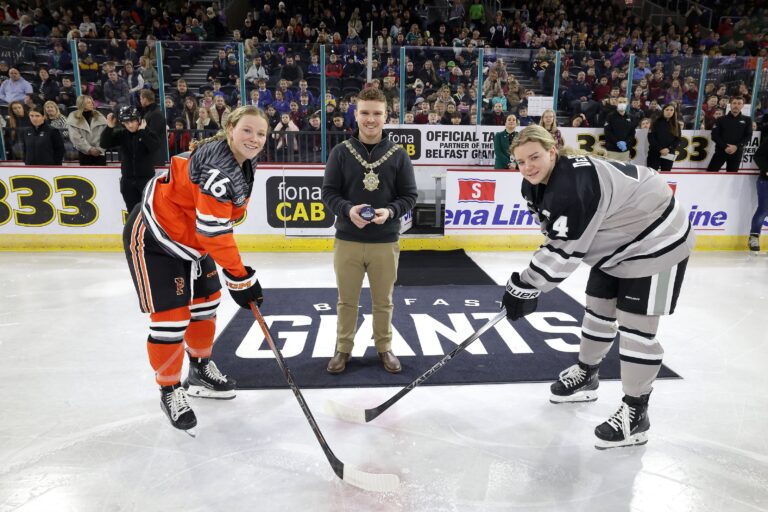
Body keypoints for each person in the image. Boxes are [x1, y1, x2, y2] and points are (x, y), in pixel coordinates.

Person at [502, 125, 694, 449]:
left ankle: (636, 414)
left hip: (660, 241)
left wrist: (527, 285)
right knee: (598, 309)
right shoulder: (533, 185)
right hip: (618, 241)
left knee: (637, 331)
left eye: (534, 157)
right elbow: (557, 237)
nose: (528, 167)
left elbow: (566, 250)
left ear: (552, 152)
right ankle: (587, 373)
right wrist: (528, 284)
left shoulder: (571, 186)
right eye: (521, 162)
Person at [122, 105, 269, 431]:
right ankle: (169, 388)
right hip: (155, 238)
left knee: (207, 302)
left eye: (260, 133)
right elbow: (214, 230)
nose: (254, 138)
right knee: (171, 321)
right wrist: (240, 277)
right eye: (247, 130)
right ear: (230, 127)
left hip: (193, 239)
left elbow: (219, 219)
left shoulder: (244, 160)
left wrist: (236, 277)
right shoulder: (218, 170)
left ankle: (200, 368)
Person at [321, 87, 418, 375]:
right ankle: (343, 349)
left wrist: (389, 212)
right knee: (346, 301)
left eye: (377, 113)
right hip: (347, 240)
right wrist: (348, 210)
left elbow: (409, 196)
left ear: (386, 116)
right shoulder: (340, 152)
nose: (370, 119)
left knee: (383, 301)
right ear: (356, 113)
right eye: (365, 112)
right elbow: (328, 193)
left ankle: (384, 348)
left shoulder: (399, 155)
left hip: (385, 241)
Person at [100, 105, 162, 212]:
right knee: (132, 212)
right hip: (127, 181)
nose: (130, 125)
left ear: (139, 120)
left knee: (149, 212)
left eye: (132, 122)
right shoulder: (123, 134)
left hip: (145, 181)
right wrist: (109, 127)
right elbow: (104, 144)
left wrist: (142, 132)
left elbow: (154, 147)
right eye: (126, 123)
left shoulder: (149, 133)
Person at [707, 96, 752, 173]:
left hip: (736, 153)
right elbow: (714, 135)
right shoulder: (720, 119)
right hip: (721, 151)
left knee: (732, 176)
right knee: (710, 173)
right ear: (730, 104)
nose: (736, 105)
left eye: (739, 103)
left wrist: (736, 146)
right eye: (734, 103)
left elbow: (748, 136)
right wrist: (725, 147)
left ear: (742, 106)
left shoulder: (747, 120)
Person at [66, 94, 108, 165]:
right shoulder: (73, 117)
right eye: (88, 102)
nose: (92, 103)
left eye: (92, 102)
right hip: (84, 153)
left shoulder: (100, 116)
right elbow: (75, 137)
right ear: (82, 104)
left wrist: (100, 149)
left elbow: (106, 135)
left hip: (100, 153)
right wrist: (89, 149)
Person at [647, 103, 682, 172]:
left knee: (666, 173)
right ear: (663, 111)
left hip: (669, 154)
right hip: (654, 153)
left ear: (674, 112)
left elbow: (678, 139)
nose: (669, 112)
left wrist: (669, 149)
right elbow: (651, 138)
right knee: (651, 174)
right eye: (667, 110)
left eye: (671, 110)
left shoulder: (677, 125)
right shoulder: (655, 122)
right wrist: (660, 149)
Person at [748, 129, 768, 252]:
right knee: (763, 210)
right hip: (765, 181)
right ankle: (754, 238)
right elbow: (758, 156)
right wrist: (766, 170)